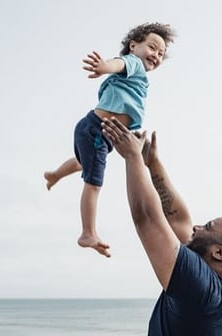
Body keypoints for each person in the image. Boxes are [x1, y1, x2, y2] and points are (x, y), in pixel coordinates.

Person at [101, 117, 222, 335]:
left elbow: (147, 219)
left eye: (208, 226)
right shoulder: (220, 284)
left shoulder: (200, 290)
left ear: (221, 252)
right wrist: (152, 163)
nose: (196, 227)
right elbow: (178, 220)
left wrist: (132, 157)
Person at [44, 23, 176, 257]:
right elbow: (120, 63)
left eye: (161, 54)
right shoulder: (133, 63)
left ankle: (55, 174)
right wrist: (106, 67)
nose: (156, 55)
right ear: (134, 46)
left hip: (99, 132)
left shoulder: (138, 78)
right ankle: (88, 232)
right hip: (96, 129)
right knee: (94, 183)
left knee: (83, 162)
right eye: (152, 47)